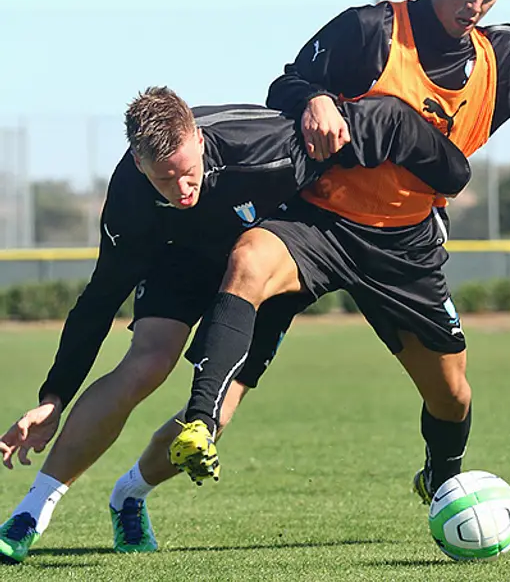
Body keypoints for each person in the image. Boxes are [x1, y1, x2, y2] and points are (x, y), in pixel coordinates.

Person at [168, 0, 510, 507]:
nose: (477, 3)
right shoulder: (369, 30)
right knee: (249, 259)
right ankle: (198, 425)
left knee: (453, 396)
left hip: (404, 243)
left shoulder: (504, 61)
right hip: (321, 220)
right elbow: (286, 84)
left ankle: (442, 477)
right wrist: (314, 98)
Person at [0, 87, 470, 563]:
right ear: (140, 165)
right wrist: (53, 397)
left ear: (200, 141)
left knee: (217, 415)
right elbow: (99, 299)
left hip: (260, 265)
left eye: (188, 172)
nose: (183, 190)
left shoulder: (269, 148)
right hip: (179, 262)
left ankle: (128, 495)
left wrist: (447, 175)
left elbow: (380, 118)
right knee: (147, 364)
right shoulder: (130, 197)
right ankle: (31, 512)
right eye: (165, 180)